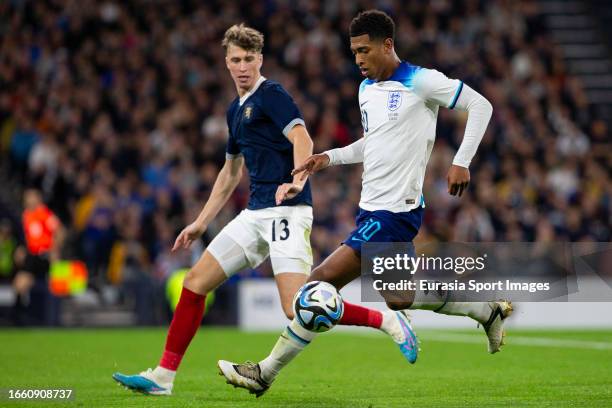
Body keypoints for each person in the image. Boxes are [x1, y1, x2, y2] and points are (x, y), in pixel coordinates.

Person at [218, 10, 510, 397]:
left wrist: (461, 161)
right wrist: (330, 157)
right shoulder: (366, 89)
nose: (357, 59)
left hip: (395, 211)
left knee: (315, 287)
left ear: (387, 45)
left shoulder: (421, 81)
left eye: (364, 50)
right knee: (397, 296)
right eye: (353, 51)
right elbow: (375, 142)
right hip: (371, 208)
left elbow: (481, 106)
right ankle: (484, 310)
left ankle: (264, 373)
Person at [112, 23, 410, 396]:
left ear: (260, 60)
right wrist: (200, 222)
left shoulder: (272, 95)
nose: (242, 66)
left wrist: (299, 179)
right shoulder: (234, 110)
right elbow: (230, 171)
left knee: (296, 307)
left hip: (287, 211)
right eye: (235, 59)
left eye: (249, 59)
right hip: (254, 214)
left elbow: (302, 137)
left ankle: (386, 320)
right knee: (194, 283)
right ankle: (163, 377)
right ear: (226, 63)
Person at [13, 188, 64, 325]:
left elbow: (60, 232)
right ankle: (20, 320)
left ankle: (53, 319)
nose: (29, 200)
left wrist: (54, 249)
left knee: (56, 284)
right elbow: (26, 238)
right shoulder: (25, 216)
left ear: (38, 198)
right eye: (27, 197)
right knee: (19, 284)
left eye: (31, 196)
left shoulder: (44, 214)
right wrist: (21, 249)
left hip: (45, 255)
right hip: (31, 256)